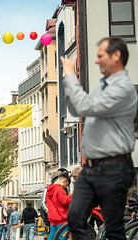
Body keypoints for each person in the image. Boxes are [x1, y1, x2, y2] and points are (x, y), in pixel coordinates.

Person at [61, 36, 137, 240]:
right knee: (75, 217)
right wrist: (69, 83)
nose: (96, 61)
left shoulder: (123, 89)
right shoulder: (102, 87)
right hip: (91, 168)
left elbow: (84, 106)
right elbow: (77, 107)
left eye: (100, 56)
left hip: (114, 167)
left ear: (116, 56)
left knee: (113, 230)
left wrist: (70, 76)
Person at [46, 172, 72, 240]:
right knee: (62, 237)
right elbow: (65, 201)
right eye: (66, 185)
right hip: (61, 219)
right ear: (64, 181)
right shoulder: (59, 189)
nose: (65, 187)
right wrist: (72, 195)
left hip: (53, 219)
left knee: (52, 237)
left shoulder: (49, 190)